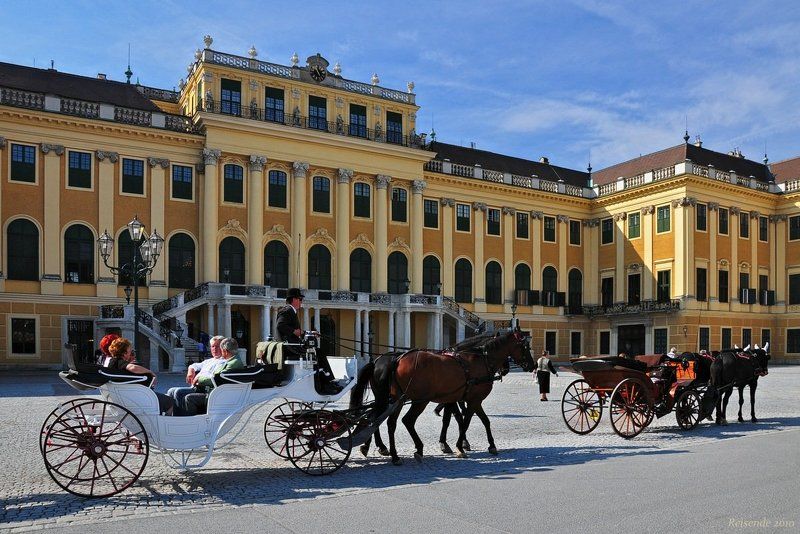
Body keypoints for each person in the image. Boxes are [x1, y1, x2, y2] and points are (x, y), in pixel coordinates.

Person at [275, 288, 341, 395]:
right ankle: (327, 381)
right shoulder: (287, 310)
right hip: (292, 348)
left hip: (292, 346)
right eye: (300, 299)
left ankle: (324, 380)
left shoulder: (290, 311)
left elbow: (296, 331)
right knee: (319, 352)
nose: (301, 302)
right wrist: (294, 331)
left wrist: (309, 332)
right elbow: (280, 325)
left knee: (316, 351)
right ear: (294, 299)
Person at [106, 337, 175, 415]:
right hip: (135, 397)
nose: (130, 353)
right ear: (124, 353)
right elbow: (133, 367)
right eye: (129, 351)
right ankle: (166, 423)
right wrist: (150, 372)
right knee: (171, 401)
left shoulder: (112, 362)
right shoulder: (119, 361)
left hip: (125, 395)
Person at [184, 337, 245, 416]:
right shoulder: (231, 361)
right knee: (174, 391)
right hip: (212, 390)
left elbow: (217, 378)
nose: (216, 349)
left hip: (214, 393)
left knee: (184, 396)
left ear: (225, 351)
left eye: (219, 348)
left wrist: (199, 379)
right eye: (213, 346)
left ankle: (189, 422)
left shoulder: (231, 363)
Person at [167, 335, 224, 413]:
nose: (214, 349)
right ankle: (171, 416)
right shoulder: (210, 360)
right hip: (196, 387)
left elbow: (213, 377)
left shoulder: (223, 362)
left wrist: (198, 378)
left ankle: (181, 418)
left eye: (217, 346)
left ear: (223, 348)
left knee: (178, 392)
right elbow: (195, 365)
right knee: (171, 391)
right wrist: (191, 370)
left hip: (204, 389)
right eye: (212, 346)